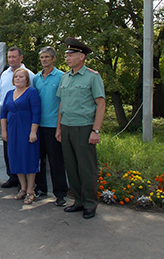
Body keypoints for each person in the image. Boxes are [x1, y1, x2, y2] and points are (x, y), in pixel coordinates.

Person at [56, 37, 106, 219]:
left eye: (71, 54)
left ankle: (90, 203)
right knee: (71, 166)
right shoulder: (65, 77)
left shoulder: (93, 77)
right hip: (67, 127)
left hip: (84, 128)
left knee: (87, 167)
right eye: (67, 55)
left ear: (82, 56)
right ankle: (78, 201)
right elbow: (62, 104)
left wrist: (96, 130)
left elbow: (100, 104)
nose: (67, 58)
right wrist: (59, 128)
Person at [0, 47, 34, 188]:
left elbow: (33, 97)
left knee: (24, 149)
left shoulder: (30, 75)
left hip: (24, 120)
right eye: (9, 57)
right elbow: (0, 96)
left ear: (21, 58)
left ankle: (27, 184)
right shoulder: (4, 74)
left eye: (14, 57)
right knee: (9, 149)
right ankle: (12, 177)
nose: (11, 60)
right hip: (8, 118)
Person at [32, 46, 68, 206]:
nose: (44, 60)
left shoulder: (61, 77)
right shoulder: (37, 78)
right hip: (38, 125)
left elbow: (63, 103)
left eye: (47, 57)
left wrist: (59, 128)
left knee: (56, 161)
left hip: (54, 125)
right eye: (42, 57)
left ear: (54, 58)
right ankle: (41, 189)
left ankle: (60, 194)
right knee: (39, 159)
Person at [0, 68, 41, 205]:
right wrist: (4, 131)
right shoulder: (9, 93)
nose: (18, 79)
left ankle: (30, 190)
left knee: (28, 159)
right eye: (16, 77)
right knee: (16, 158)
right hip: (12, 131)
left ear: (27, 79)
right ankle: (22, 189)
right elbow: (3, 113)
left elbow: (36, 113)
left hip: (26, 130)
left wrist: (33, 131)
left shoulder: (31, 92)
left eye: (21, 77)